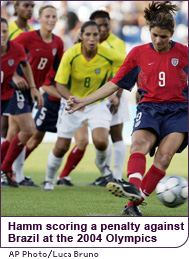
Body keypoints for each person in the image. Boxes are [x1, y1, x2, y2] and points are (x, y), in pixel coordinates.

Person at [66, 1, 188, 216]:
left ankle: (133, 204)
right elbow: (114, 83)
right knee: (138, 145)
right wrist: (83, 101)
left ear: (172, 33)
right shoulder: (138, 54)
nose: (158, 41)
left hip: (179, 111)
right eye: (155, 35)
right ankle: (133, 187)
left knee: (165, 157)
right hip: (149, 108)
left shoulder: (185, 53)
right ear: (149, 31)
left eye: (164, 37)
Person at [43, 20, 125, 191]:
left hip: (97, 104)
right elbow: (59, 84)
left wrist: (117, 94)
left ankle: (103, 167)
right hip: (73, 104)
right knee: (61, 147)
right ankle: (49, 179)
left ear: (99, 36)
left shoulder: (108, 54)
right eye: (88, 34)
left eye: (95, 34)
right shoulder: (70, 55)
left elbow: (128, 66)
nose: (92, 38)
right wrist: (71, 98)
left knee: (101, 141)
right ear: (81, 36)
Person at [1, 5, 63, 187]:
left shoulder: (58, 43)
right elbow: (8, 53)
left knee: (13, 134)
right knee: (29, 130)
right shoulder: (27, 37)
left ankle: (12, 174)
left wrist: (44, 88)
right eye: (47, 16)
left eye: (54, 16)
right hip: (17, 88)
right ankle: (6, 170)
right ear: (40, 18)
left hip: (33, 89)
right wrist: (14, 75)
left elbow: (58, 71)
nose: (51, 19)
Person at [1, 17, 42, 187]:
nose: (2, 35)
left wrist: (32, 87)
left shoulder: (16, 48)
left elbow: (25, 65)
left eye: (4, 31)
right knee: (11, 134)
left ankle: (5, 169)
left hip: (11, 94)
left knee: (28, 129)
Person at [1, 1, 35, 143]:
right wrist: (14, 75)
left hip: (23, 86)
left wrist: (34, 86)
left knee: (16, 130)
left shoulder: (32, 31)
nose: (30, 9)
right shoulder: (10, 28)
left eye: (32, 6)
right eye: (26, 6)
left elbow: (25, 62)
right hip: (12, 86)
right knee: (9, 126)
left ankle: (11, 165)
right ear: (16, 8)